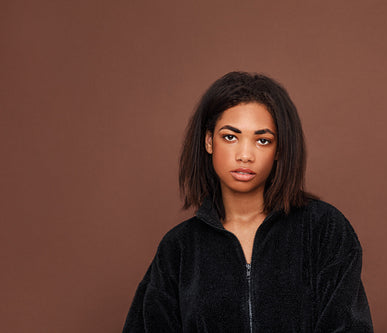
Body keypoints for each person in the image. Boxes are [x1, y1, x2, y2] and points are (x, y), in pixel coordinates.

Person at [123, 71, 373, 332]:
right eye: (230, 136)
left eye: (262, 141)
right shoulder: (178, 249)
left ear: (279, 151)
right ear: (209, 141)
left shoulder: (323, 230)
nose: (245, 155)